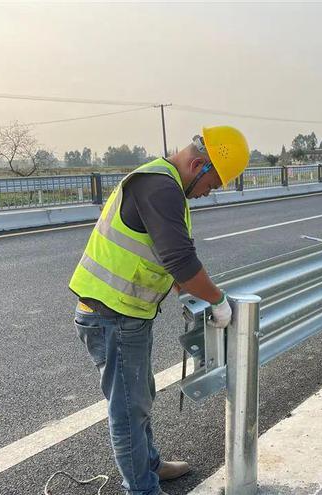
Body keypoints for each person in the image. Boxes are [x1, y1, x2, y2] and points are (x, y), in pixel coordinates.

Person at [69, 126, 250, 495]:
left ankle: (148, 464)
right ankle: (142, 488)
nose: (205, 194)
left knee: (139, 397)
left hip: (127, 313)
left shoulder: (166, 186)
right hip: (111, 315)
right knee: (128, 411)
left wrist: (190, 293)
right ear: (198, 164)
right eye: (210, 185)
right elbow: (180, 260)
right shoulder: (160, 186)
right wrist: (217, 301)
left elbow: (171, 262)